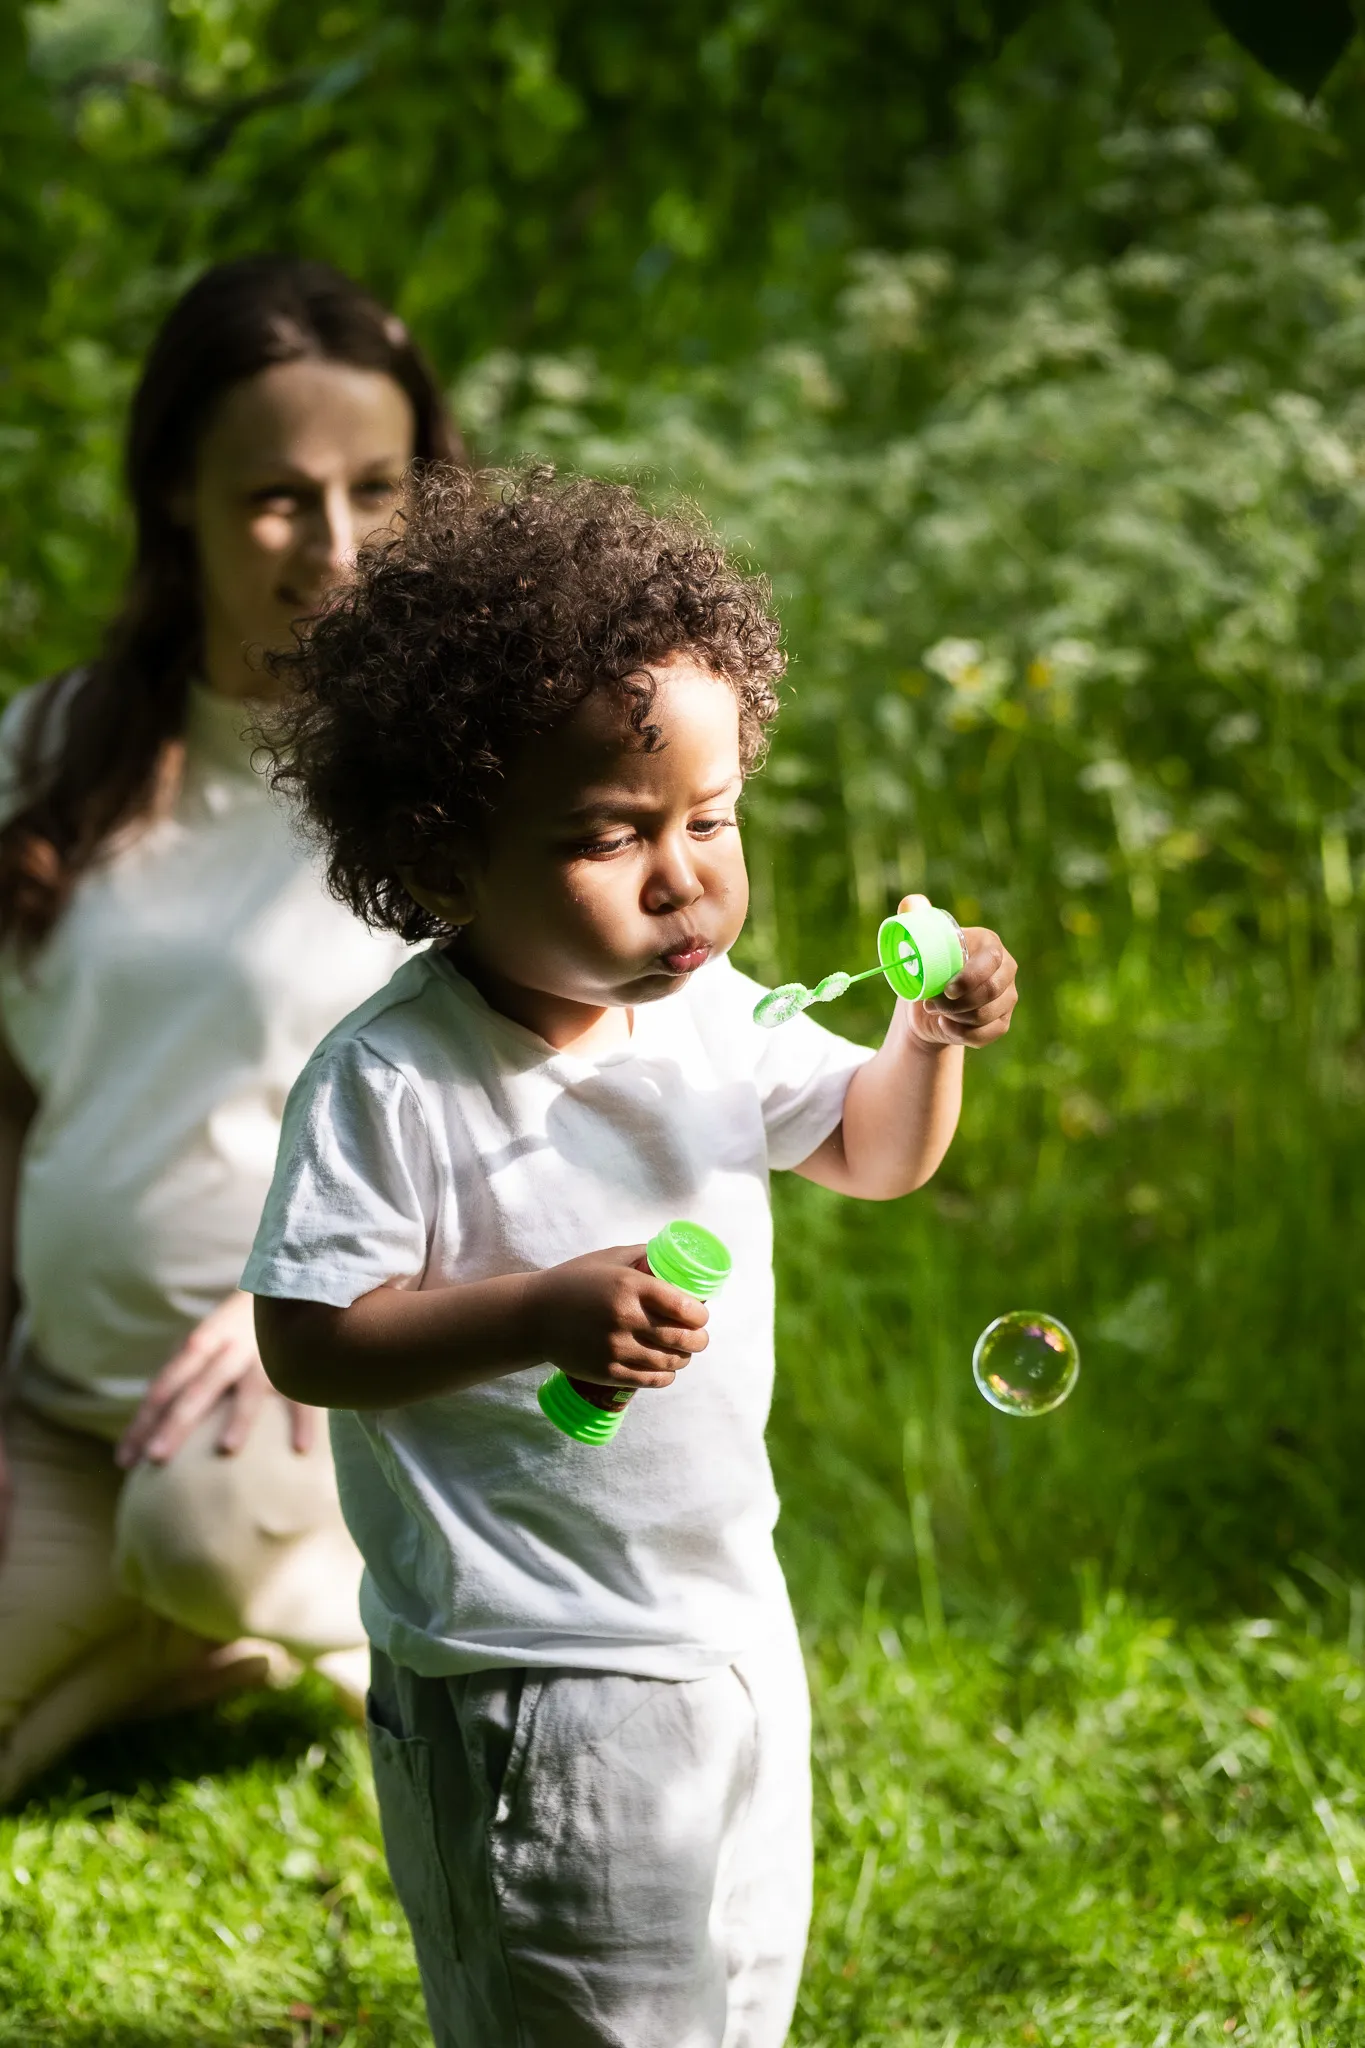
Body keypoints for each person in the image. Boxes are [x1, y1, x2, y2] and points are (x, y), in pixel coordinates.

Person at [245, 466, 1019, 2048]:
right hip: (528, 1666)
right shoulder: (396, 1081)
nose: (687, 879)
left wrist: (926, 1035)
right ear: (445, 860)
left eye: (712, 819)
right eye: (613, 836)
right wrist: (537, 1310)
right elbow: (310, 1339)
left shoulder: (718, 1015)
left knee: (735, 1998)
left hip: (728, 1620)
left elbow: (875, 1152)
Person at [0, 256, 463, 1805]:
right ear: (176, 502)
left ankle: (260, 1598)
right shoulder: (52, 752)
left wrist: (311, 1296)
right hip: (62, 1416)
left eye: (378, 487)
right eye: (277, 497)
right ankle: (204, 1645)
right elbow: (13, 1099)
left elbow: (555, 1116)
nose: (336, 547)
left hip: (320, 1396)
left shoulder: (467, 792)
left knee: (200, 1531)